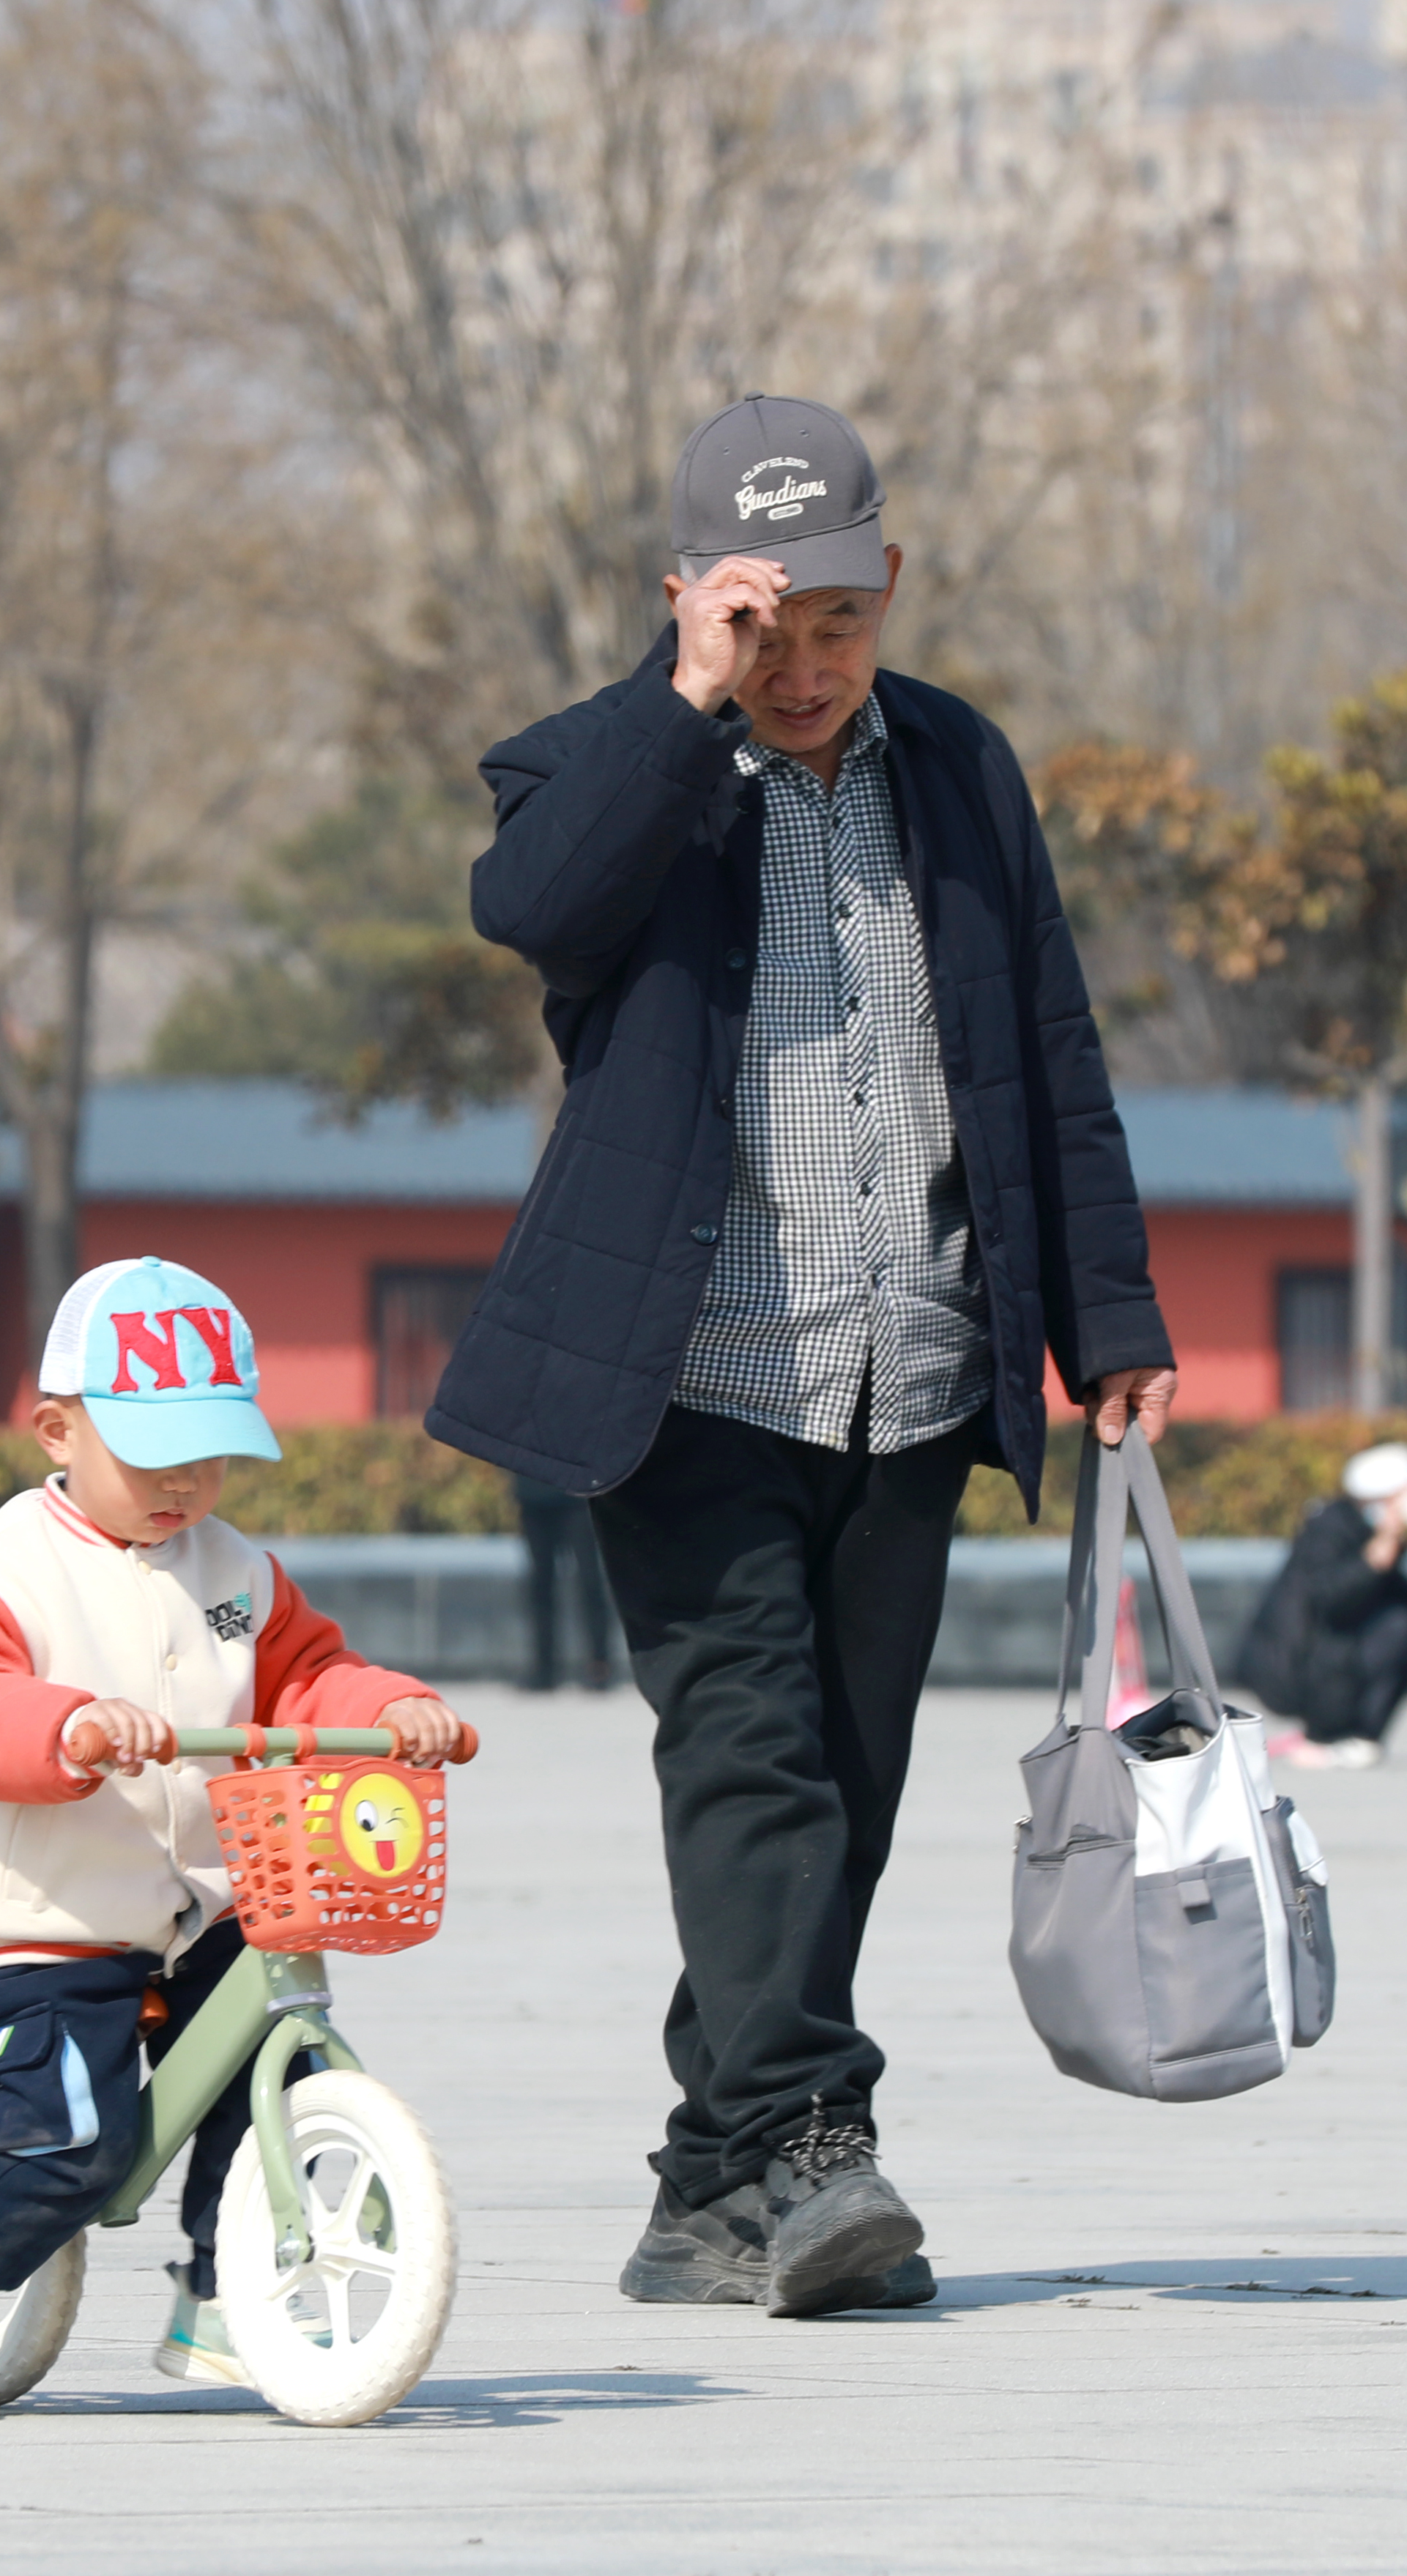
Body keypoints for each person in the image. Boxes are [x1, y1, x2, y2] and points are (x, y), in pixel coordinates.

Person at [422, 394, 1176, 2320]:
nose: (804, 663)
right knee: (747, 1761)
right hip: (684, 1375)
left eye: (835, 620)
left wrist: (1106, 1314)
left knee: (837, 1783)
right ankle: (815, 2138)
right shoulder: (609, 767)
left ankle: (702, 2194)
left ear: (888, 590)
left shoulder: (960, 772)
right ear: (689, 604)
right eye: (761, 624)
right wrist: (681, 711)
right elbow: (533, 908)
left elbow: (1049, 1054)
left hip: (909, 1366)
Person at [0, 1258, 461, 2421]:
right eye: (152, 1455)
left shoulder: (235, 1571)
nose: (186, 1480)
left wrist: (385, 1707)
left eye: (211, 1452)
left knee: (253, 2080)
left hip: (209, 1899)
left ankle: (218, 2293)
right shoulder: (2, 1572)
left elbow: (305, 1673)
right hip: (49, 1917)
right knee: (66, 2145)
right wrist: (68, 1724)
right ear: (56, 1429)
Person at [1233, 1443, 1407, 1769]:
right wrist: (1371, 1562)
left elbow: (1399, 1596)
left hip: (1329, 1657)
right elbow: (1332, 1602)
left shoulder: (1376, 1534)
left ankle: (1360, 1736)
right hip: (1295, 1664)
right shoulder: (1331, 1529)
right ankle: (1327, 1734)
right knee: (1395, 1628)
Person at [511, 1471, 617, 1692]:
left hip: (577, 1491)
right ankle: (544, 1668)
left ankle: (600, 1664)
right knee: (540, 1585)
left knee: (589, 1580)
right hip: (533, 1492)